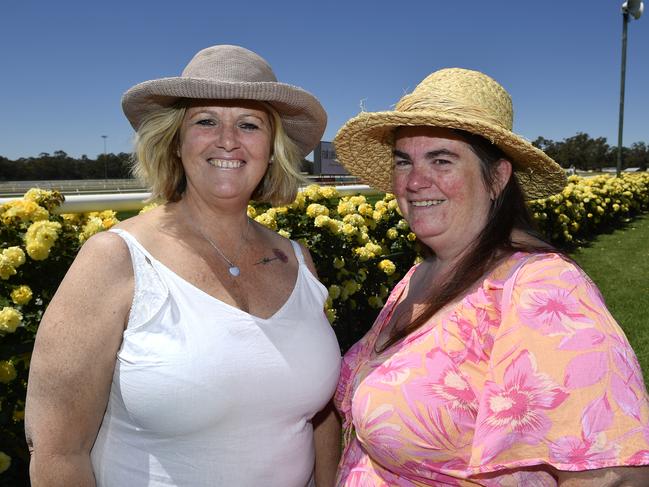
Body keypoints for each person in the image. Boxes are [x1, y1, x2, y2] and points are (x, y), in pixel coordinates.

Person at [25, 45, 342, 487]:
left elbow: (320, 416)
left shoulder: (298, 260)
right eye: (206, 121)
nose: (227, 140)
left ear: (273, 149)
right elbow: (58, 453)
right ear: (175, 141)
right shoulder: (116, 259)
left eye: (249, 124)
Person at [332, 68, 649, 486]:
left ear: (497, 177)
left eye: (441, 160)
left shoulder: (542, 288)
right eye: (403, 161)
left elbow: (615, 473)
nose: (414, 181)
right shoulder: (420, 275)